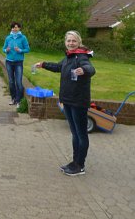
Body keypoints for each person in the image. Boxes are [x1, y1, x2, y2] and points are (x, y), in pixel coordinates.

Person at [34, 31, 95, 176]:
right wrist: (43, 64)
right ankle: (74, 162)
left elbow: (91, 69)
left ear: (78, 42)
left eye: (74, 41)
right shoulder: (68, 57)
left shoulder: (82, 57)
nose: (71, 43)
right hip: (67, 100)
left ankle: (80, 165)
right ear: (65, 42)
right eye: (69, 41)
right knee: (74, 133)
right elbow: (58, 67)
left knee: (81, 134)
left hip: (78, 102)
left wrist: (84, 70)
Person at [2, 22, 30, 108]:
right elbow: (3, 49)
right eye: (13, 27)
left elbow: (28, 49)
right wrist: (6, 50)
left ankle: (19, 100)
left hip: (18, 62)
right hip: (9, 62)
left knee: (18, 82)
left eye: (17, 27)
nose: (15, 29)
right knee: (11, 82)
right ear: (11, 28)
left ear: (19, 28)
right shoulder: (8, 38)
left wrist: (20, 50)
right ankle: (13, 98)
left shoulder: (23, 38)